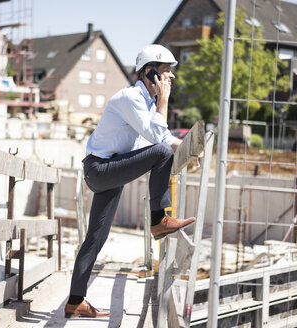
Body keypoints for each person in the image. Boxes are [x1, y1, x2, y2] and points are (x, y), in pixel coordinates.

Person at [64, 44, 196, 318]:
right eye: (166, 72)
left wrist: (189, 150)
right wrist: (165, 102)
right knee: (160, 153)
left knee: (96, 238)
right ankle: (159, 220)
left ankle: (75, 300)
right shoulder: (130, 99)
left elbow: (164, 137)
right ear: (150, 75)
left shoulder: (146, 104)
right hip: (100, 168)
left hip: (110, 170)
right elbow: (157, 139)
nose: (171, 77)